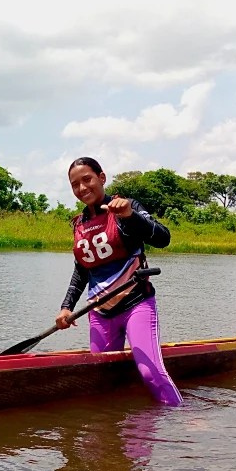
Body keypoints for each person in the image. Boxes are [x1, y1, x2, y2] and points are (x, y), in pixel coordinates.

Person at [56, 156, 183, 407]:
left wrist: (129, 215)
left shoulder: (125, 207)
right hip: (99, 313)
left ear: (102, 178)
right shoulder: (79, 224)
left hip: (137, 304)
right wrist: (66, 307)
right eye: (75, 184)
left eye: (87, 180)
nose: (82, 188)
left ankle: (183, 416)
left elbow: (163, 238)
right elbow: (81, 271)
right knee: (101, 379)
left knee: (150, 372)